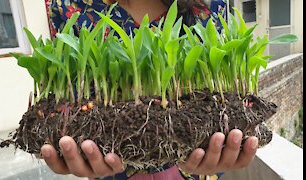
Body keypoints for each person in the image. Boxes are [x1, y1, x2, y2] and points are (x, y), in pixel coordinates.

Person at [41, 0, 259, 179]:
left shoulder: (207, 5)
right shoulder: (67, 7)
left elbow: (223, 87)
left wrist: (233, 143)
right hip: (111, 166)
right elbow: (69, 89)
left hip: (198, 165)